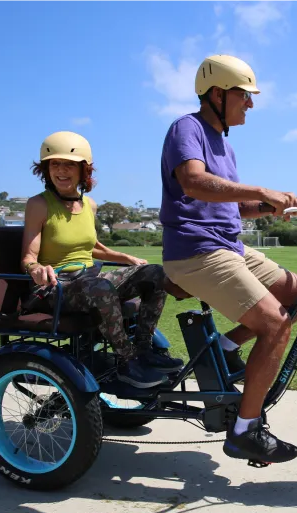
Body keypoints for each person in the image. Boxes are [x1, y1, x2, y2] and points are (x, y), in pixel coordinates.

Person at [159, 55, 297, 465]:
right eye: (244, 95)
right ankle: (246, 430)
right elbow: (194, 183)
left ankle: (227, 345)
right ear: (217, 94)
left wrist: (269, 207)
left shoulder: (226, 146)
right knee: (274, 323)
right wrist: (263, 190)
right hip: (196, 251)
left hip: (230, 248)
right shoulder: (187, 128)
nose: (250, 104)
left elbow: (229, 208)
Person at [21, 131, 183, 390]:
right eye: (55, 164)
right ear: (45, 169)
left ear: (83, 170)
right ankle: (127, 362)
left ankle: (144, 348)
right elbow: (29, 256)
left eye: (69, 165)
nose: (61, 171)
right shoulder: (39, 204)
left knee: (155, 274)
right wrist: (35, 268)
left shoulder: (90, 205)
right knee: (101, 287)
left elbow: (93, 247)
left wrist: (127, 258)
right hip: (56, 287)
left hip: (88, 280)